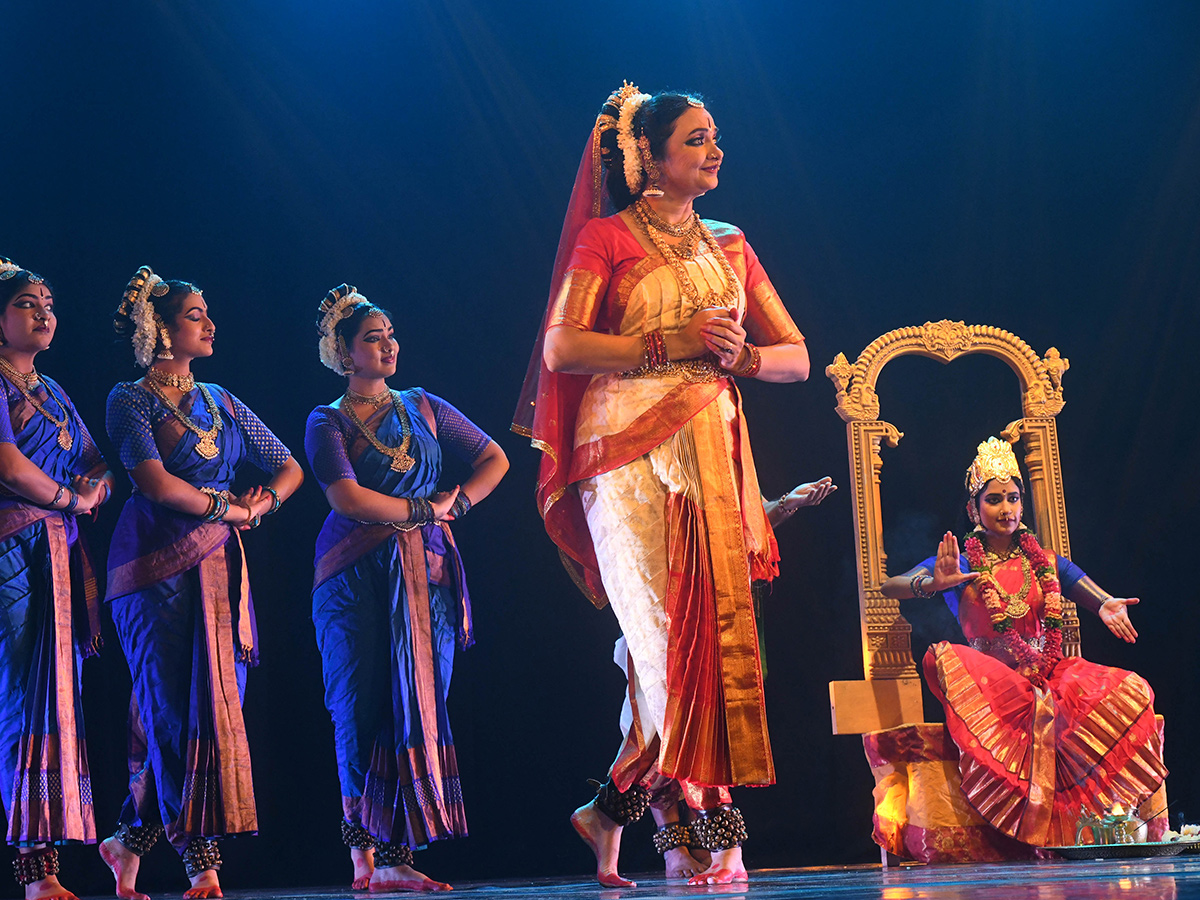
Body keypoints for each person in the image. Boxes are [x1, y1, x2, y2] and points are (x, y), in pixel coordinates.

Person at [515, 82, 809, 886]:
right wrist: (667, 342)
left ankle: (609, 813)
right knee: (662, 649)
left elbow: (797, 357)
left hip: (710, 456)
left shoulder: (731, 243)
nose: (715, 151)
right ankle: (717, 836)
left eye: (715, 137)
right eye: (696, 139)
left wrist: (738, 358)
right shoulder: (605, 239)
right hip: (624, 457)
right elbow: (562, 349)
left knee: (711, 647)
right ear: (649, 154)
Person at [99, 266, 304, 900]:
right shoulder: (128, 399)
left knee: (218, 705)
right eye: (195, 315)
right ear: (158, 327)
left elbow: (289, 467)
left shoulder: (221, 401)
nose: (210, 324)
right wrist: (231, 510)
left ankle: (128, 840)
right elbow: (155, 483)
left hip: (219, 566)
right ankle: (200, 862)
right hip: (153, 566)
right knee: (170, 708)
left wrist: (260, 504)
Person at [305, 285, 507, 893]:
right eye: (373, 337)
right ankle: (365, 856)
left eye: (391, 334)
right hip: (352, 577)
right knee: (358, 706)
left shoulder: (423, 406)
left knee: (417, 699)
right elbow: (347, 498)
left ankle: (396, 855)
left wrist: (459, 502)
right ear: (344, 353)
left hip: (426, 578)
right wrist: (425, 507)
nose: (389, 344)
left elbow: (494, 457)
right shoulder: (327, 420)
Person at [880, 437, 1167, 848]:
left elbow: (1086, 590)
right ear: (972, 509)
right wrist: (930, 583)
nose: (1007, 508)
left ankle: (1085, 826)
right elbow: (891, 587)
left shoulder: (1045, 561)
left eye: (1013, 498)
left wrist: (1106, 605)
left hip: (1047, 673)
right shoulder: (960, 561)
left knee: (1131, 690)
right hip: (992, 685)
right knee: (993, 688)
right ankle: (1027, 831)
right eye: (994, 499)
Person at [0, 259, 113, 900]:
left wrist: (92, 489)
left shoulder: (55, 391)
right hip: (13, 553)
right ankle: (32, 872)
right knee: (22, 695)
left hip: (57, 555)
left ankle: (47, 868)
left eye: (48, 302)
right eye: (26, 303)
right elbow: (10, 465)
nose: (44, 313)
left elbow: (99, 463)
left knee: (54, 695)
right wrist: (71, 501)